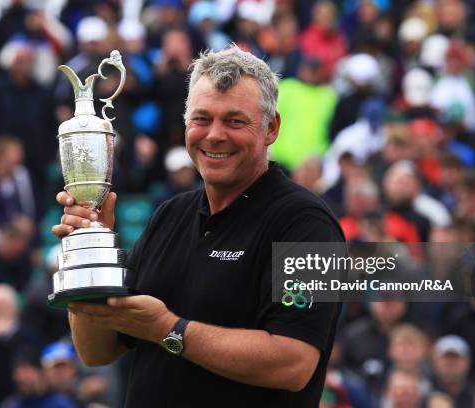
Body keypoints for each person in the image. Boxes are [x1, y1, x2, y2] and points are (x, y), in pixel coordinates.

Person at [52, 46, 344, 407]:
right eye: (202, 119)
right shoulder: (169, 215)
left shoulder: (310, 225)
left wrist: (169, 330)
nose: (214, 135)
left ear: (271, 128)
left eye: (235, 121)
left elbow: (294, 364)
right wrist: (87, 254)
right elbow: (97, 351)